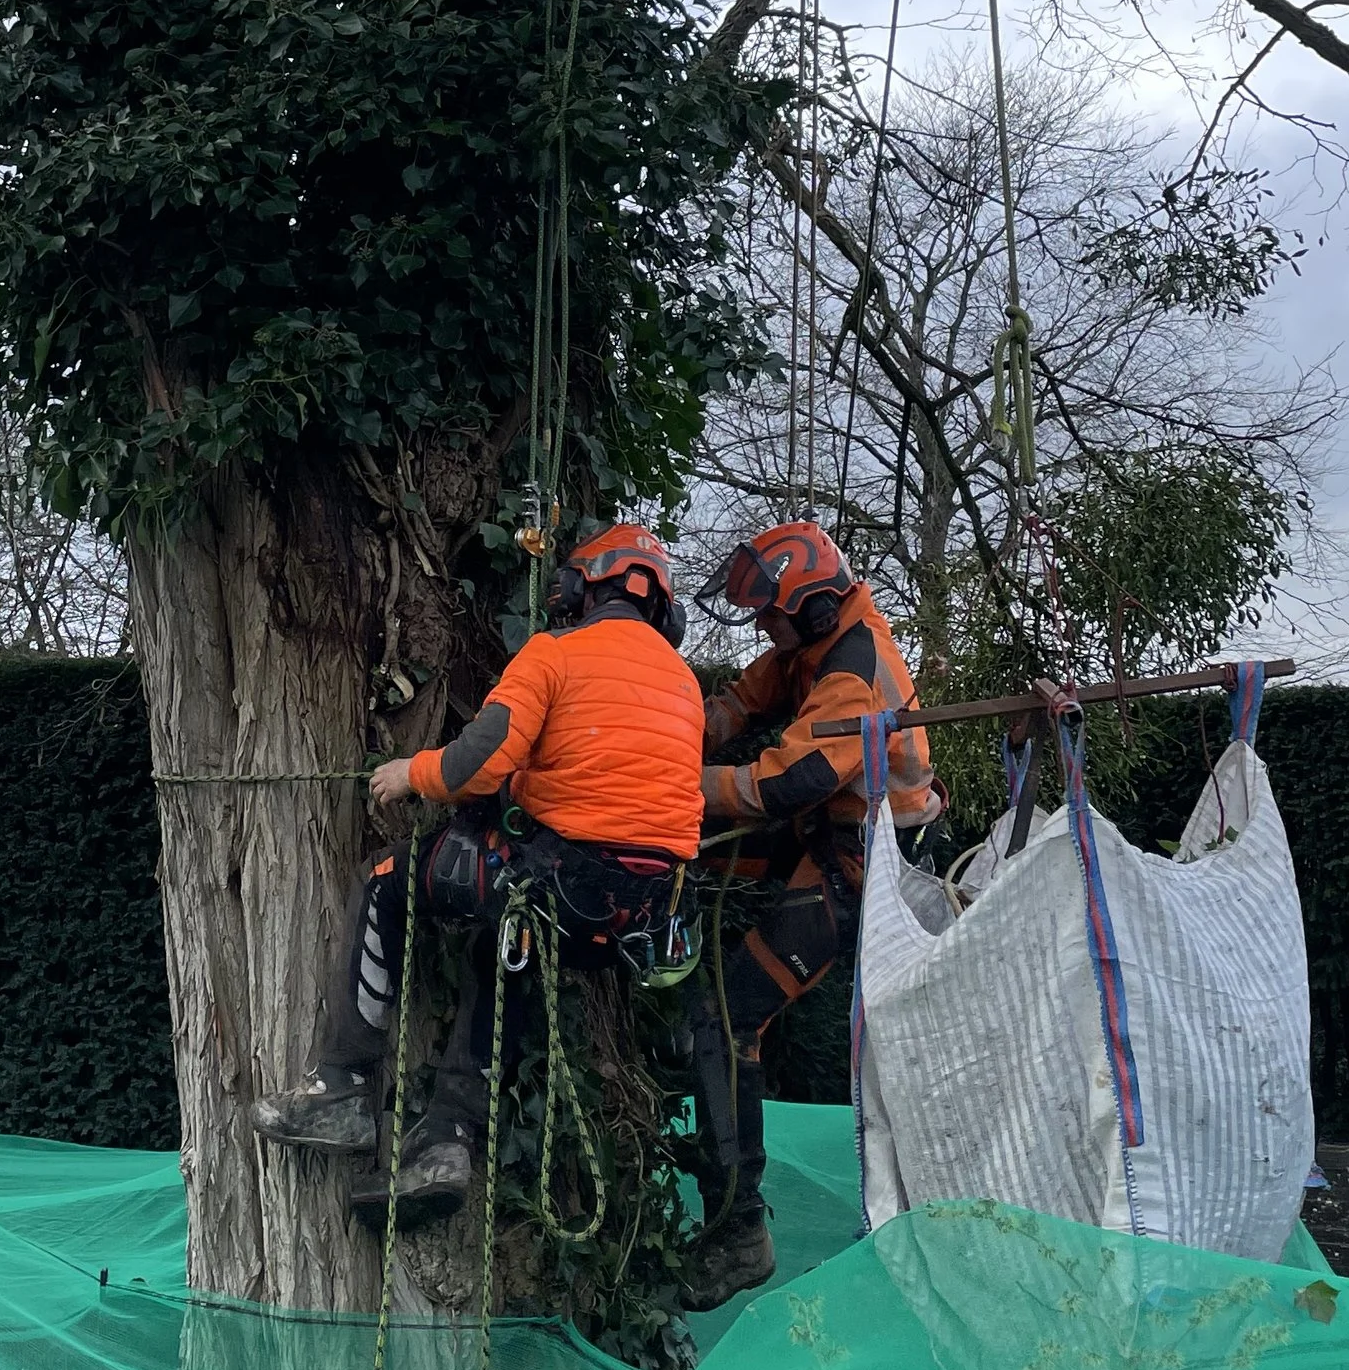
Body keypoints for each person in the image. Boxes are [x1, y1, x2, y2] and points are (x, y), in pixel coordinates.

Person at [251, 523, 708, 1230]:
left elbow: (475, 765)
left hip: (556, 879)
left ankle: (340, 1086)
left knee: (385, 880)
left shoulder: (555, 651)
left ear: (582, 587)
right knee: (509, 951)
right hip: (637, 917)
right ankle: (447, 1140)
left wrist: (410, 772)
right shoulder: (684, 683)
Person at [678, 518, 937, 1309]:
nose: (764, 628)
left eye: (771, 615)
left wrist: (680, 790)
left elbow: (784, 783)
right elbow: (738, 701)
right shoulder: (813, 648)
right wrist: (661, 730)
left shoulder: (853, 670)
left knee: (722, 1016)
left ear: (816, 607)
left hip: (865, 866)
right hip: (828, 837)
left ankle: (740, 1228)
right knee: (682, 856)